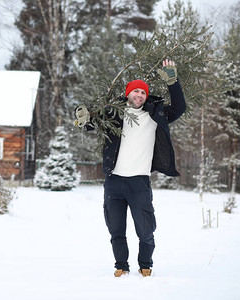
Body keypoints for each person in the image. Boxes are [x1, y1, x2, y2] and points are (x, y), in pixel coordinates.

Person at [74, 59, 186, 277]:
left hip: (139, 183)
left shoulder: (155, 114)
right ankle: (121, 266)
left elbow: (180, 108)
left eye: (143, 93)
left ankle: (145, 265)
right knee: (116, 230)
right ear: (128, 94)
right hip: (114, 182)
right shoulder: (113, 113)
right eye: (135, 91)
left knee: (145, 230)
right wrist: (82, 119)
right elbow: (89, 124)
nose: (139, 96)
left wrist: (173, 81)